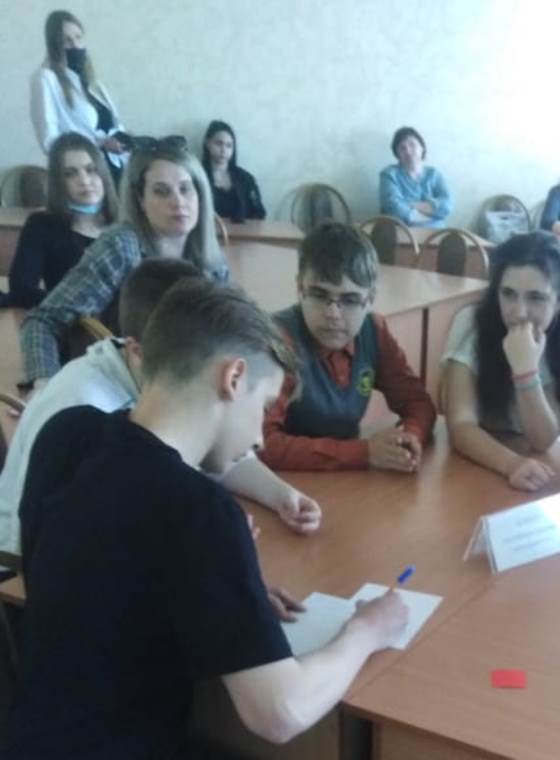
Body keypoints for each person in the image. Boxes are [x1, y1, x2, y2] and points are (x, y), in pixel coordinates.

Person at [7, 279, 409, 756]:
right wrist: (367, 630)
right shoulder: (200, 508)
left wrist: (215, 591)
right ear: (233, 378)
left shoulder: (67, 432)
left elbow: (85, 575)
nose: (260, 438)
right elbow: (280, 712)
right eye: (264, 406)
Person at [0, 258, 322, 559]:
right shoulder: (85, 408)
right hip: (16, 570)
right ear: (138, 349)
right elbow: (62, 542)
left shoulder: (160, 384)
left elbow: (219, 450)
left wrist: (281, 496)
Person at [18, 137, 228, 393]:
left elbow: (225, 333)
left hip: (189, 388)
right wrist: (43, 386)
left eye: (186, 189)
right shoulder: (121, 246)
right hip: (122, 390)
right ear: (140, 199)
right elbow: (43, 321)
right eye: (162, 191)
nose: (178, 201)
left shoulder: (210, 258)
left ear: (200, 194)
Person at [261, 222, 436, 471]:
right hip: (283, 480)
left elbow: (417, 402)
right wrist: (363, 452)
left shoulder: (374, 330)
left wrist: (408, 436)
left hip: (345, 477)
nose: (333, 313)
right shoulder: (279, 339)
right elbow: (262, 444)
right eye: (319, 295)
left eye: (350, 300)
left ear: (370, 299)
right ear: (300, 289)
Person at [441, 232, 560, 491]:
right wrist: (511, 464)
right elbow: (461, 425)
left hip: (538, 467)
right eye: (508, 294)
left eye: (536, 298)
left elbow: (542, 440)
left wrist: (525, 372)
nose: (519, 312)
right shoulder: (471, 323)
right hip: (482, 464)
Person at [5, 132, 118, 308]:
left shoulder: (124, 224)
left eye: (91, 170)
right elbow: (22, 289)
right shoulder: (41, 225)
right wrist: (73, 309)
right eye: (70, 174)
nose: (84, 181)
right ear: (58, 183)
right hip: (68, 320)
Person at [30, 10, 128, 180]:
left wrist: (122, 140)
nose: (75, 45)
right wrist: (100, 143)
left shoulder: (93, 83)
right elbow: (50, 141)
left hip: (114, 169)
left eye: (78, 37)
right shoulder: (46, 78)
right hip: (83, 176)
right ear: (54, 46)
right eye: (67, 41)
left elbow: (115, 125)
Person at [378, 126, 452, 228]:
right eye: (402, 148)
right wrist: (431, 214)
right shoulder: (389, 174)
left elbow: (447, 205)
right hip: (401, 231)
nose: (408, 151)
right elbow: (393, 208)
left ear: (422, 148)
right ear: (397, 154)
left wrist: (410, 205)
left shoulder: (434, 174)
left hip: (435, 232)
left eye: (412, 145)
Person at [201, 119, 267, 223]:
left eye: (229, 146)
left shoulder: (246, 179)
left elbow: (259, 214)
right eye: (218, 143)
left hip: (242, 232)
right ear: (207, 143)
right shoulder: (196, 176)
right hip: (207, 232)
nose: (223, 150)